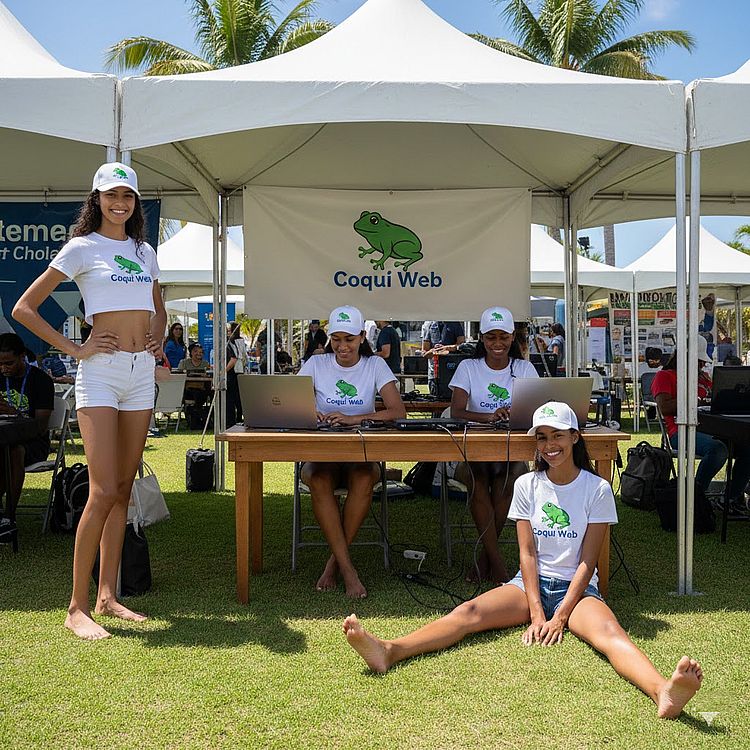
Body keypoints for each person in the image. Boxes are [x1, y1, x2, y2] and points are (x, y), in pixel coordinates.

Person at [343, 401, 704, 720]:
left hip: (577, 591)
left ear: (575, 437)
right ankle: (389, 650)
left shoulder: (596, 488)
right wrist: (536, 612)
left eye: (557, 435)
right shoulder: (527, 484)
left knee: (610, 635)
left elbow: (588, 561)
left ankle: (662, 691)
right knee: (468, 612)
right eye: (542, 437)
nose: (549, 445)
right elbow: (527, 554)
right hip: (527, 586)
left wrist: (560, 616)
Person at [13, 161, 165, 640]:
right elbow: (24, 308)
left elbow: (158, 308)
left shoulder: (144, 251)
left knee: (122, 488)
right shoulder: (81, 247)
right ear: (96, 199)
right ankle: (76, 607)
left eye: (127, 196)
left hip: (141, 374)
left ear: (135, 202)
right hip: (100, 374)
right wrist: (76, 349)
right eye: (111, 195)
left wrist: (158, 338)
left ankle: (107, 596)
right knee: (100, 491)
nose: (119, 203)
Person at [298, 305, 406, 598]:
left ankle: (334, 565)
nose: (342, 346)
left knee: (363, 478)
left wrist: (354, 419)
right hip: (322, 454)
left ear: (361, 337)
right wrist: (310, 412)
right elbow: (292, 402)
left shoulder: (375, 365)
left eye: (349, 339)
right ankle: (348, 570)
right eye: (336, 339)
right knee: (318, 479)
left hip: (361, 454)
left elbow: (398, 411)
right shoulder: (316, 363)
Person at [448, 306, 538, 583]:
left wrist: (515, 413)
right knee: (478, 481)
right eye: (491, 337)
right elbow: (457, 412)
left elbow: (538, 409)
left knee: (507, 482)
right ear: (481, 338)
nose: (497, 343)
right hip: (473, 453)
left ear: (512, 337)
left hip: (511, 455)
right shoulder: (468, 367)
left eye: (503, 337)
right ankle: (497, 564)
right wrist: (489, 417)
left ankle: (485, 560)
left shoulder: (524, 368)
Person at [652, 337, 750, 515]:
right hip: (679, 430)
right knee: (718, 450)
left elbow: (715, 399)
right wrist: (694, 400)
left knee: (748, 448)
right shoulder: (664, 376)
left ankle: (731, 499)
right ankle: (696, 498)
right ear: (685, 358)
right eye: (699, 361)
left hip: (714, 428)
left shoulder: (703, 377)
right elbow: (664, 407)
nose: (703, 365)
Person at [0, 333, 54, 523]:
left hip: (33, 443)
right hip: (2, 439)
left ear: (22, 356)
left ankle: (9, 516)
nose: (3, 368)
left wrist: (15, 412)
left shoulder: (40, 380)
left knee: (14, 452)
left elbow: (40, 427)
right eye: (0, 364)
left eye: (9, 363)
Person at [423, 321, 466, 395]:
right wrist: (433, 351)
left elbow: (462, 346)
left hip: (452, 373)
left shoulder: (455, 324)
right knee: (434, 399)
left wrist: (446, 348)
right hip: (434, 374)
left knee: (452, 399)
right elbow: (424, 351)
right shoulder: (429, 324)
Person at [226, 322, 246, 426]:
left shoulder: (230, 343)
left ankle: (233, 420)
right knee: (238, 397)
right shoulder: (240, 341)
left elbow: (233, 358)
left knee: (231, 398)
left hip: (232, 372)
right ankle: (239, 418)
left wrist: (224, 371)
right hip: (239, 371)